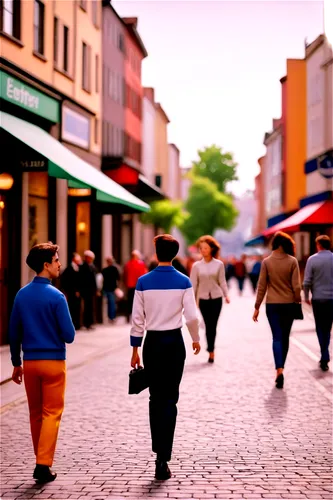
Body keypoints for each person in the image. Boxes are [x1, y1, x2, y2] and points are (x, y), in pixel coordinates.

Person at [130, 234, 200, 480]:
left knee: (155, 399)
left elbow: (137, 319)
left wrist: (135, 348)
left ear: (156, 253)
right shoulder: (183, 281)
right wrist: (195, 338)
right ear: (175, 253)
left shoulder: (142, 282)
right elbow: (191, 316)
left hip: (152, 343)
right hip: (174, 342)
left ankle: (157, 453)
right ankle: (164, 458)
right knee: (170, 400)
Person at [9, 243, 75, 483]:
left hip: (31, 363)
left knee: (35, 413)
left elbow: (14, 332)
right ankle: (42, 464)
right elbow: (69, 335)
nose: (59, 264)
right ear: (46, 265)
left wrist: (16, 362)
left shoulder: (21, 294)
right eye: (56, 260)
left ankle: (41, 460)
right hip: (54, 363)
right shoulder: (57, 297)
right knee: (51, 413)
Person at [253, 231, 301, 389]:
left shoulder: (266, 262)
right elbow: (296, 286)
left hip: (272, 304)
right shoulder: (292, 261)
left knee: (277, 337)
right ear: (287, 244)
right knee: (286, 337)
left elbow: (261, 286)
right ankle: (282, 367)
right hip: (288, 304)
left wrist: (257, 307)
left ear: (274, 244)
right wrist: (297, 300)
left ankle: (278, 369)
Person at [190, 235, 230, 363]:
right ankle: (210, 349)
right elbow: (193, 284)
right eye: (201, 248)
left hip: (217, 298)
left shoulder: (219, 264)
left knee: (213, 325)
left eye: (206, 248)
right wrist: (192, 301)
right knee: (208, 325)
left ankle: (211, 350)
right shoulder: (196, 266)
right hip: (203, 299)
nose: (203, 250)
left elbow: (222, 281)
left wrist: (226, 295)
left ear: (212, 249)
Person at [303, 235, 333, 372]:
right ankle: (325, 353)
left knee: (320, 327)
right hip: (332, 299)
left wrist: (306, 296)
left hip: (318, 299)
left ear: (319, 245)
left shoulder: (312, 260)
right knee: (328, 327)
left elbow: (307, 281)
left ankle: (324, 354)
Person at [123, 250, 147, 322]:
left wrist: (125, 284)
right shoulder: (141, 264)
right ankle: (139, 317)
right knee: (139, 302)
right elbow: (143, 275)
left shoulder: (127, 264)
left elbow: (124, 275)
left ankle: (128, 316)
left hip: (129, 285)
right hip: (138, 286)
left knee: (129, 301)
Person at [60, 252, 82, 330]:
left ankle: (77, 324)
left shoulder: (78, 267)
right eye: (78, 257)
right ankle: (73, 324)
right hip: (72, 292)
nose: (79, 259)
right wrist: (73, 290)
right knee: (72, 308)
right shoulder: (69, 268)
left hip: (77, 292)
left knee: (77, 308)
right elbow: (67, 281)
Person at [80, 250, 97, 330]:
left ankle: (91, 323)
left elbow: (94, 279)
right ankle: (86, 323)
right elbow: (81, 279)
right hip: (85, 290)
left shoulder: (92, 266)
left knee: (91, 307)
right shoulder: (83, 266)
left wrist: (96, 289)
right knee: (86, 307)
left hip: (91, 290)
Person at [101, 256, 120, 323]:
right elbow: (118, 278)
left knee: (109, 303)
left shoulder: (105, 270)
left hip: (109, 288)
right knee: (111, 303)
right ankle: (111, 317)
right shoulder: (113, 269)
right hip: (110, 288)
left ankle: (110, 317)